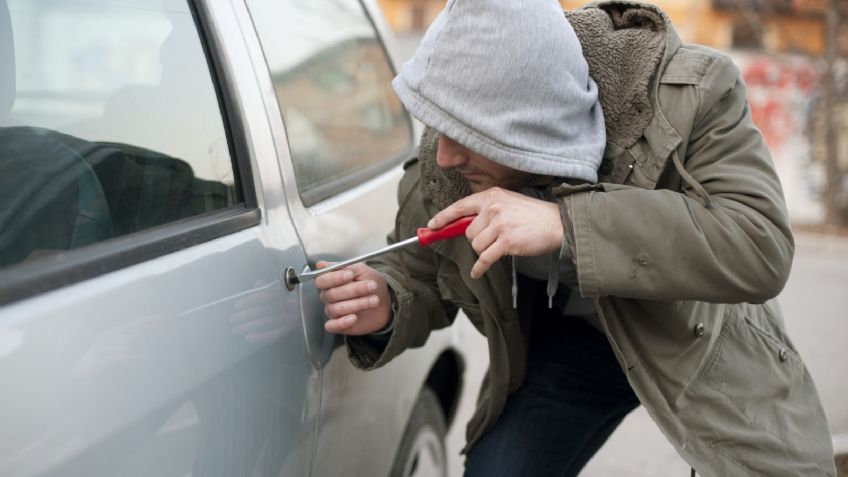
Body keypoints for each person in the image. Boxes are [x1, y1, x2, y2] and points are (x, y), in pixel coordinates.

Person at [315, 0, 836, 475]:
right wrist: (386, 301)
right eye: (440, 128)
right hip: (574, 349)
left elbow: (759, 243)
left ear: (527, 124)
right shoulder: (445, 166)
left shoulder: (691, 95)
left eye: (467, 135)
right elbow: (421, 271)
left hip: (699, 336)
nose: (446, 155)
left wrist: (566, 224)